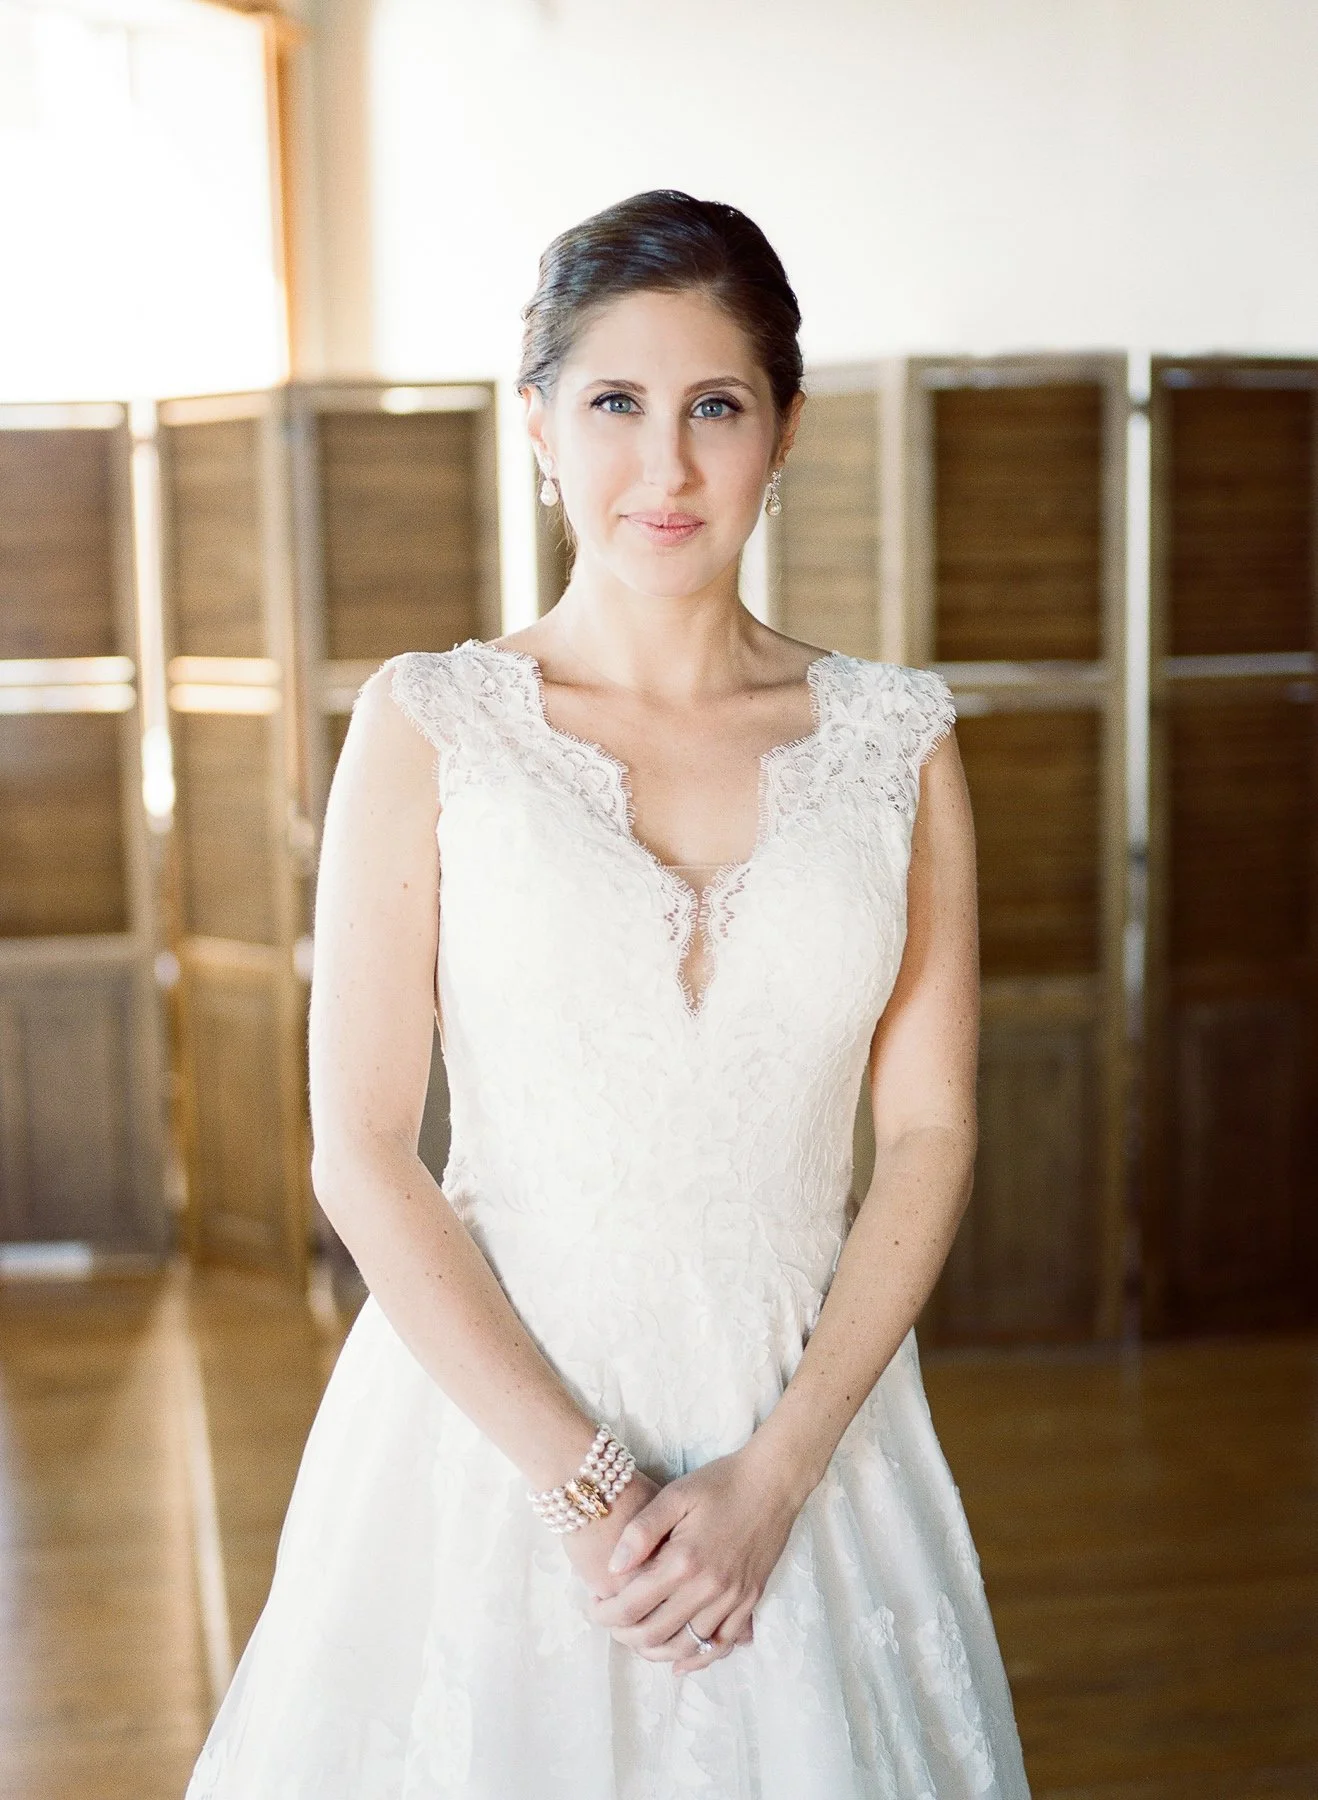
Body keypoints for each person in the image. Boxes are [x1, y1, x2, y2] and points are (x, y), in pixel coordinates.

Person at [185, 189, 1031, 1799]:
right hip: (490, 1428)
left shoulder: (896, 743)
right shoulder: (432, 723)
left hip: (806, 1417)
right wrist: (588, 1493)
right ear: (539, 429)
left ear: (783, 430)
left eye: (716, 405)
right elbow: (360, 1148)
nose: (667, 466)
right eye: (614, 405)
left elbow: (926, 1135)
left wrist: (775, 1478)